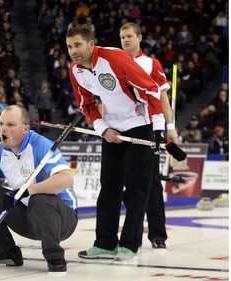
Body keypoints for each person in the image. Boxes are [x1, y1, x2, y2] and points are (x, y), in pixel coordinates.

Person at [66, 27, 165, 262]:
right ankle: (105, 243)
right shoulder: (76, 70)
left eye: (78, 45)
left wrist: (159, 128)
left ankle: (130, 245)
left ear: (91, 44)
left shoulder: (115, 58)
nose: (73, 51)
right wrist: (103, 129)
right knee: (109, 185)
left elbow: (151, 90)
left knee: (137, 186)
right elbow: (87, 105)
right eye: (70, 47)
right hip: (112, 130)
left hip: (139, 125)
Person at [0, 105, 78, 275]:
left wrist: (28, 190)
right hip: (28, 216)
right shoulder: (0, 150)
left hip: (61, 219)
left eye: (10, 125)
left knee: (39, 198)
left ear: (25, 129)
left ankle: (55, 257)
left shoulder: (40, 145)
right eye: (1, 124)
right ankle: (5, 251)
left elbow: (66, 178)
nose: (3, 128)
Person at [119, 22, 179, 252]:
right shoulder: (113, 62)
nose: (125, 40)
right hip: (121, 130)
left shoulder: (151, 63)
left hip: (147, 129)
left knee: (152, 181)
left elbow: (163, 97)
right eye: (122, 37)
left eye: (129, 36)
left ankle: (157, 234)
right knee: (123, 182)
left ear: (140, 37)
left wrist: (169, 127)